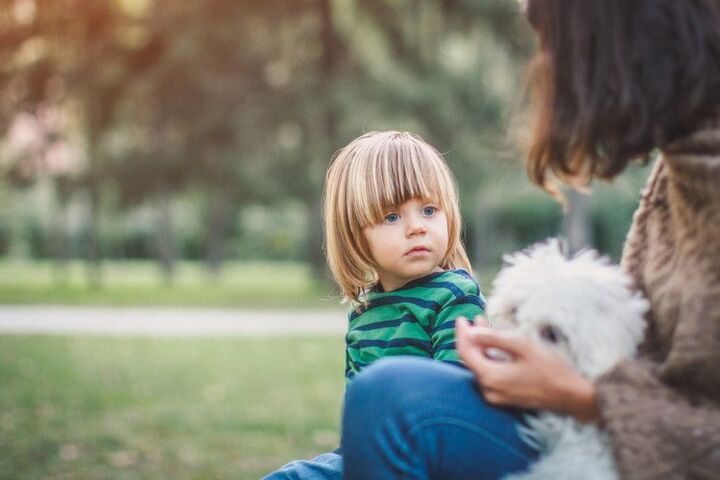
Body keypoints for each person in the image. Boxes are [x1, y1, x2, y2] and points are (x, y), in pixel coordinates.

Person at [341, 1, 720, 479]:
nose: (542, 69)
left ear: (619, 43)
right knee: (377, 404)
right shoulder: (679, 169)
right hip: (598, 430)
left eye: (553, 43)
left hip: (621, 443)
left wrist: (578, 396)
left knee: (391, 399)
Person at [264, 131, 488, 479]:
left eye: (429, 210)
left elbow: (457, 402)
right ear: (355, 234)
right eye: (392, 217)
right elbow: (361, 417)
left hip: (434, 457)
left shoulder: (454, 295)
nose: (416, 228)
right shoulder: (363, 314)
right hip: (372, 456)